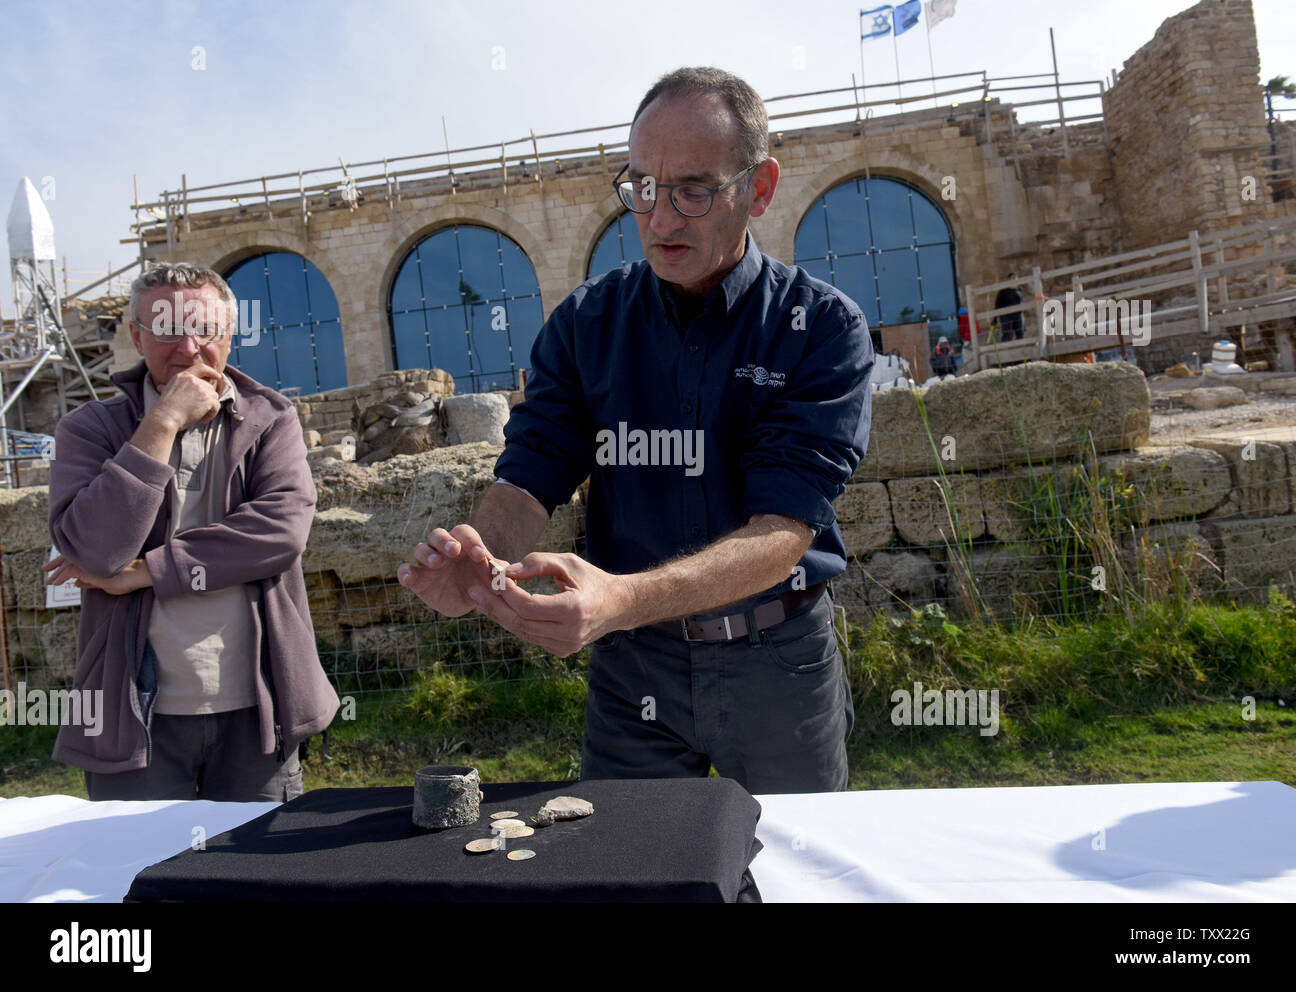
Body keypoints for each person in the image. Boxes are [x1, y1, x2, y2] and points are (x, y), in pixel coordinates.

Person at [398, 67, 873, 794]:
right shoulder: (587, 323)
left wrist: (618, 601)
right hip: (634, 676)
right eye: (642, 188)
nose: (659, 219)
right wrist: (482, 558)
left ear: (761, 188)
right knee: (628, 870)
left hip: (774, 661)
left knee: (790, 871)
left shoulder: (821, 328)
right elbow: (531, 474)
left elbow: (783, 531)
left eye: (692, 189)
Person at [44, 262, 338, 801]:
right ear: (136, 336)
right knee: (142, 878)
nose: (187, 347)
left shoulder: (270, 419)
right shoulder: (90, 429)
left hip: (259, 708)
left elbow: (280, 533)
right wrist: (161, 424)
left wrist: (145, 573)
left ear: (228, 334)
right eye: (166, 329)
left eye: (204, 329)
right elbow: (93, 548)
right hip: (134, 716)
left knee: (259, 878)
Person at [995, 274, 1024, 341]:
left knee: (1020, 334)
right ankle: (1004, 350)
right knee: (1008, 335)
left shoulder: (1019, 290)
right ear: (1008, 280)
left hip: (1018, 315)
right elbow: (997, 305)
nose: (1014, 280)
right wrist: (995, 318)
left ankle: (1020, 350)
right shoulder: (1002, 291)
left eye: (1015, 278)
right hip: (1006, 316)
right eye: (1012, 278)